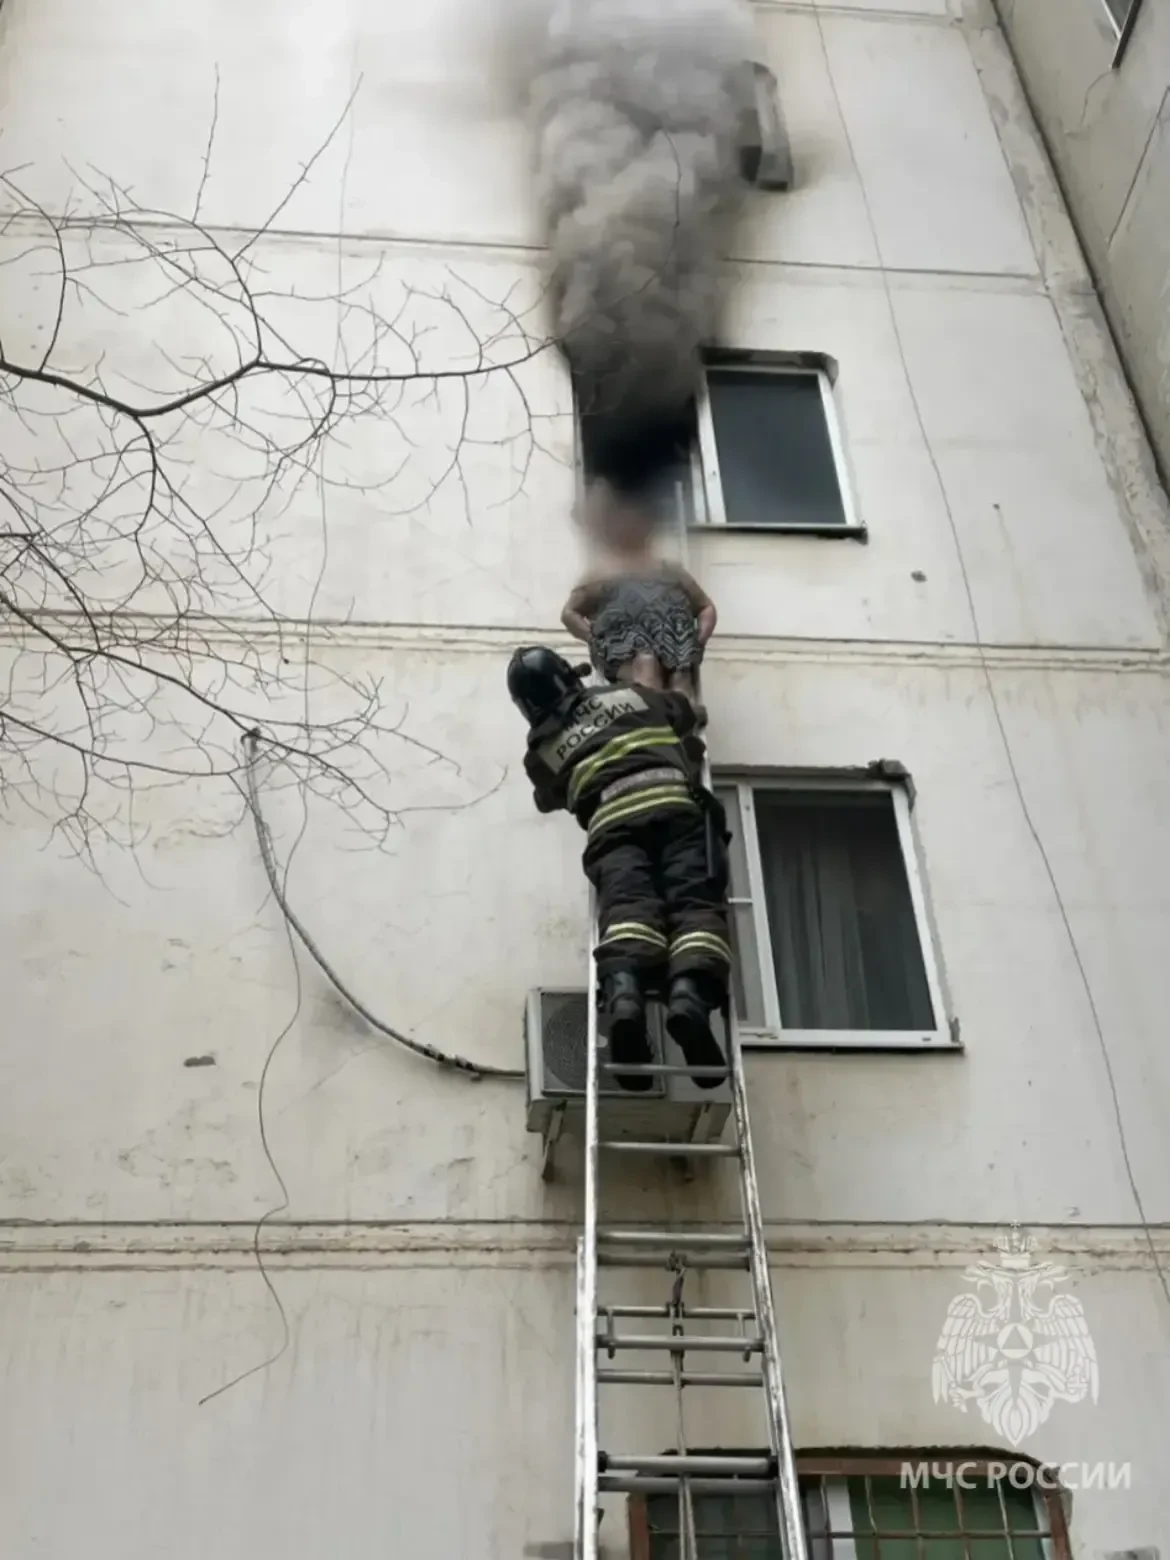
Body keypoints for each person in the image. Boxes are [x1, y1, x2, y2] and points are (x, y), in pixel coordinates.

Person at [506, 644, 731, 1092]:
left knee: (628, 912)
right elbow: (682, 713)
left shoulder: (540, 753)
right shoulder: (629, 695)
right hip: (675, 809)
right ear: (570, 677)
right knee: (693, 906)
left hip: (613, 829)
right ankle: (688, 999)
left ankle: (626, 1003)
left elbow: (547, 797)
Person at [561, 486, 717, 720]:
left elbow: (705, 607)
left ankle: (681, 722)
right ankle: (655, 719)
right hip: (627, 647)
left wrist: (699, 639)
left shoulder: (669, 569)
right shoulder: (602, 573)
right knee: (646, 669)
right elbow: (569, 613)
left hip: (676, 645)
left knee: (680, 679)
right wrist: (593, 639)